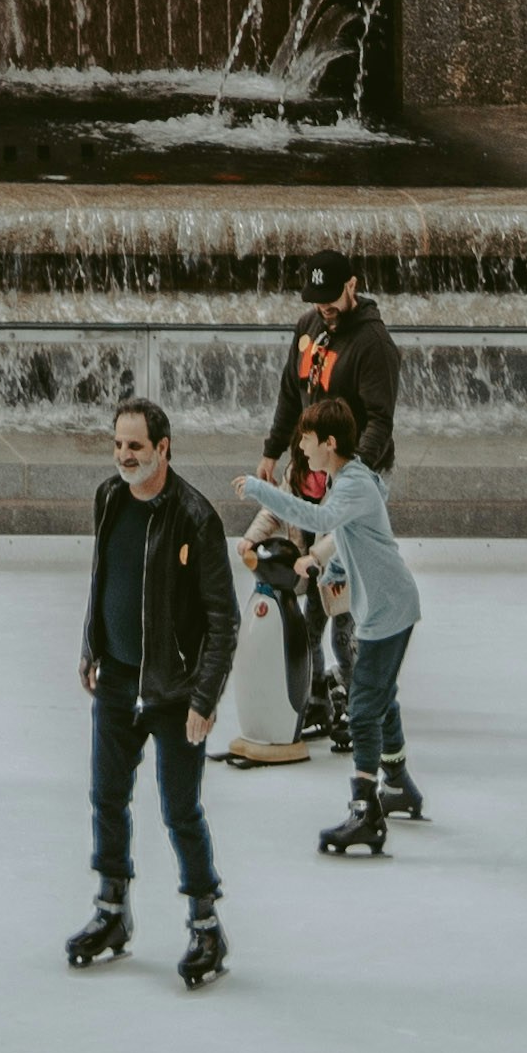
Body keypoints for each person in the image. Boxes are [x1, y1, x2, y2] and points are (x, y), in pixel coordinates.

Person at [70, 392, 236, 988]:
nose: (124, 456)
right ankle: (111, 910)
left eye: (135, 446)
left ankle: (205, 924)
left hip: (172, 691)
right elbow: (104, 576)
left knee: (179, 810)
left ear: (163, 448)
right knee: (106, 797)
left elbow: (224, 619)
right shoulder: (110, 498)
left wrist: (204, 698)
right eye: (117, 445)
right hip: (116, 679)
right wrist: (91, 643)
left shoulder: (195, 516)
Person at [290, 396, 422, 855]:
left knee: (364, 705)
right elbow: (343, 536)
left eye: (307, 441)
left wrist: (257, 488)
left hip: (388, 609)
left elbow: (322, 521)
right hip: (384, 607)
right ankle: (400, 782)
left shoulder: (353, 485)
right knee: (380, 697)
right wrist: (326, 566)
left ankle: (366, 811)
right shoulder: (349, 480)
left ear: (328, 443)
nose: (301, 448)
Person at [232, 428, 347, 767]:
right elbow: (273, 512)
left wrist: (335, 569)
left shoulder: (342, 482)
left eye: (306, 442)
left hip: (342, 579)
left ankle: (356, 709)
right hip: (309, 572)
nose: (300, 448)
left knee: (344, 640)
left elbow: (344, 532)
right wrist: (250, 539)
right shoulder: (295, 475)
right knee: (309, 637)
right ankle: (316, 700)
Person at [265, 264, 403, 483]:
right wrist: (272, 451)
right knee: (277, 516)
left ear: (351, 285)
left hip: (357, 467)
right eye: (318, 298)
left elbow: (379, 420)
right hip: (311, 462)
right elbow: (291, 392)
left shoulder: (375, 344)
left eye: (331, 296)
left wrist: (353, 472)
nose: (324, 306)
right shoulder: (307, 325)